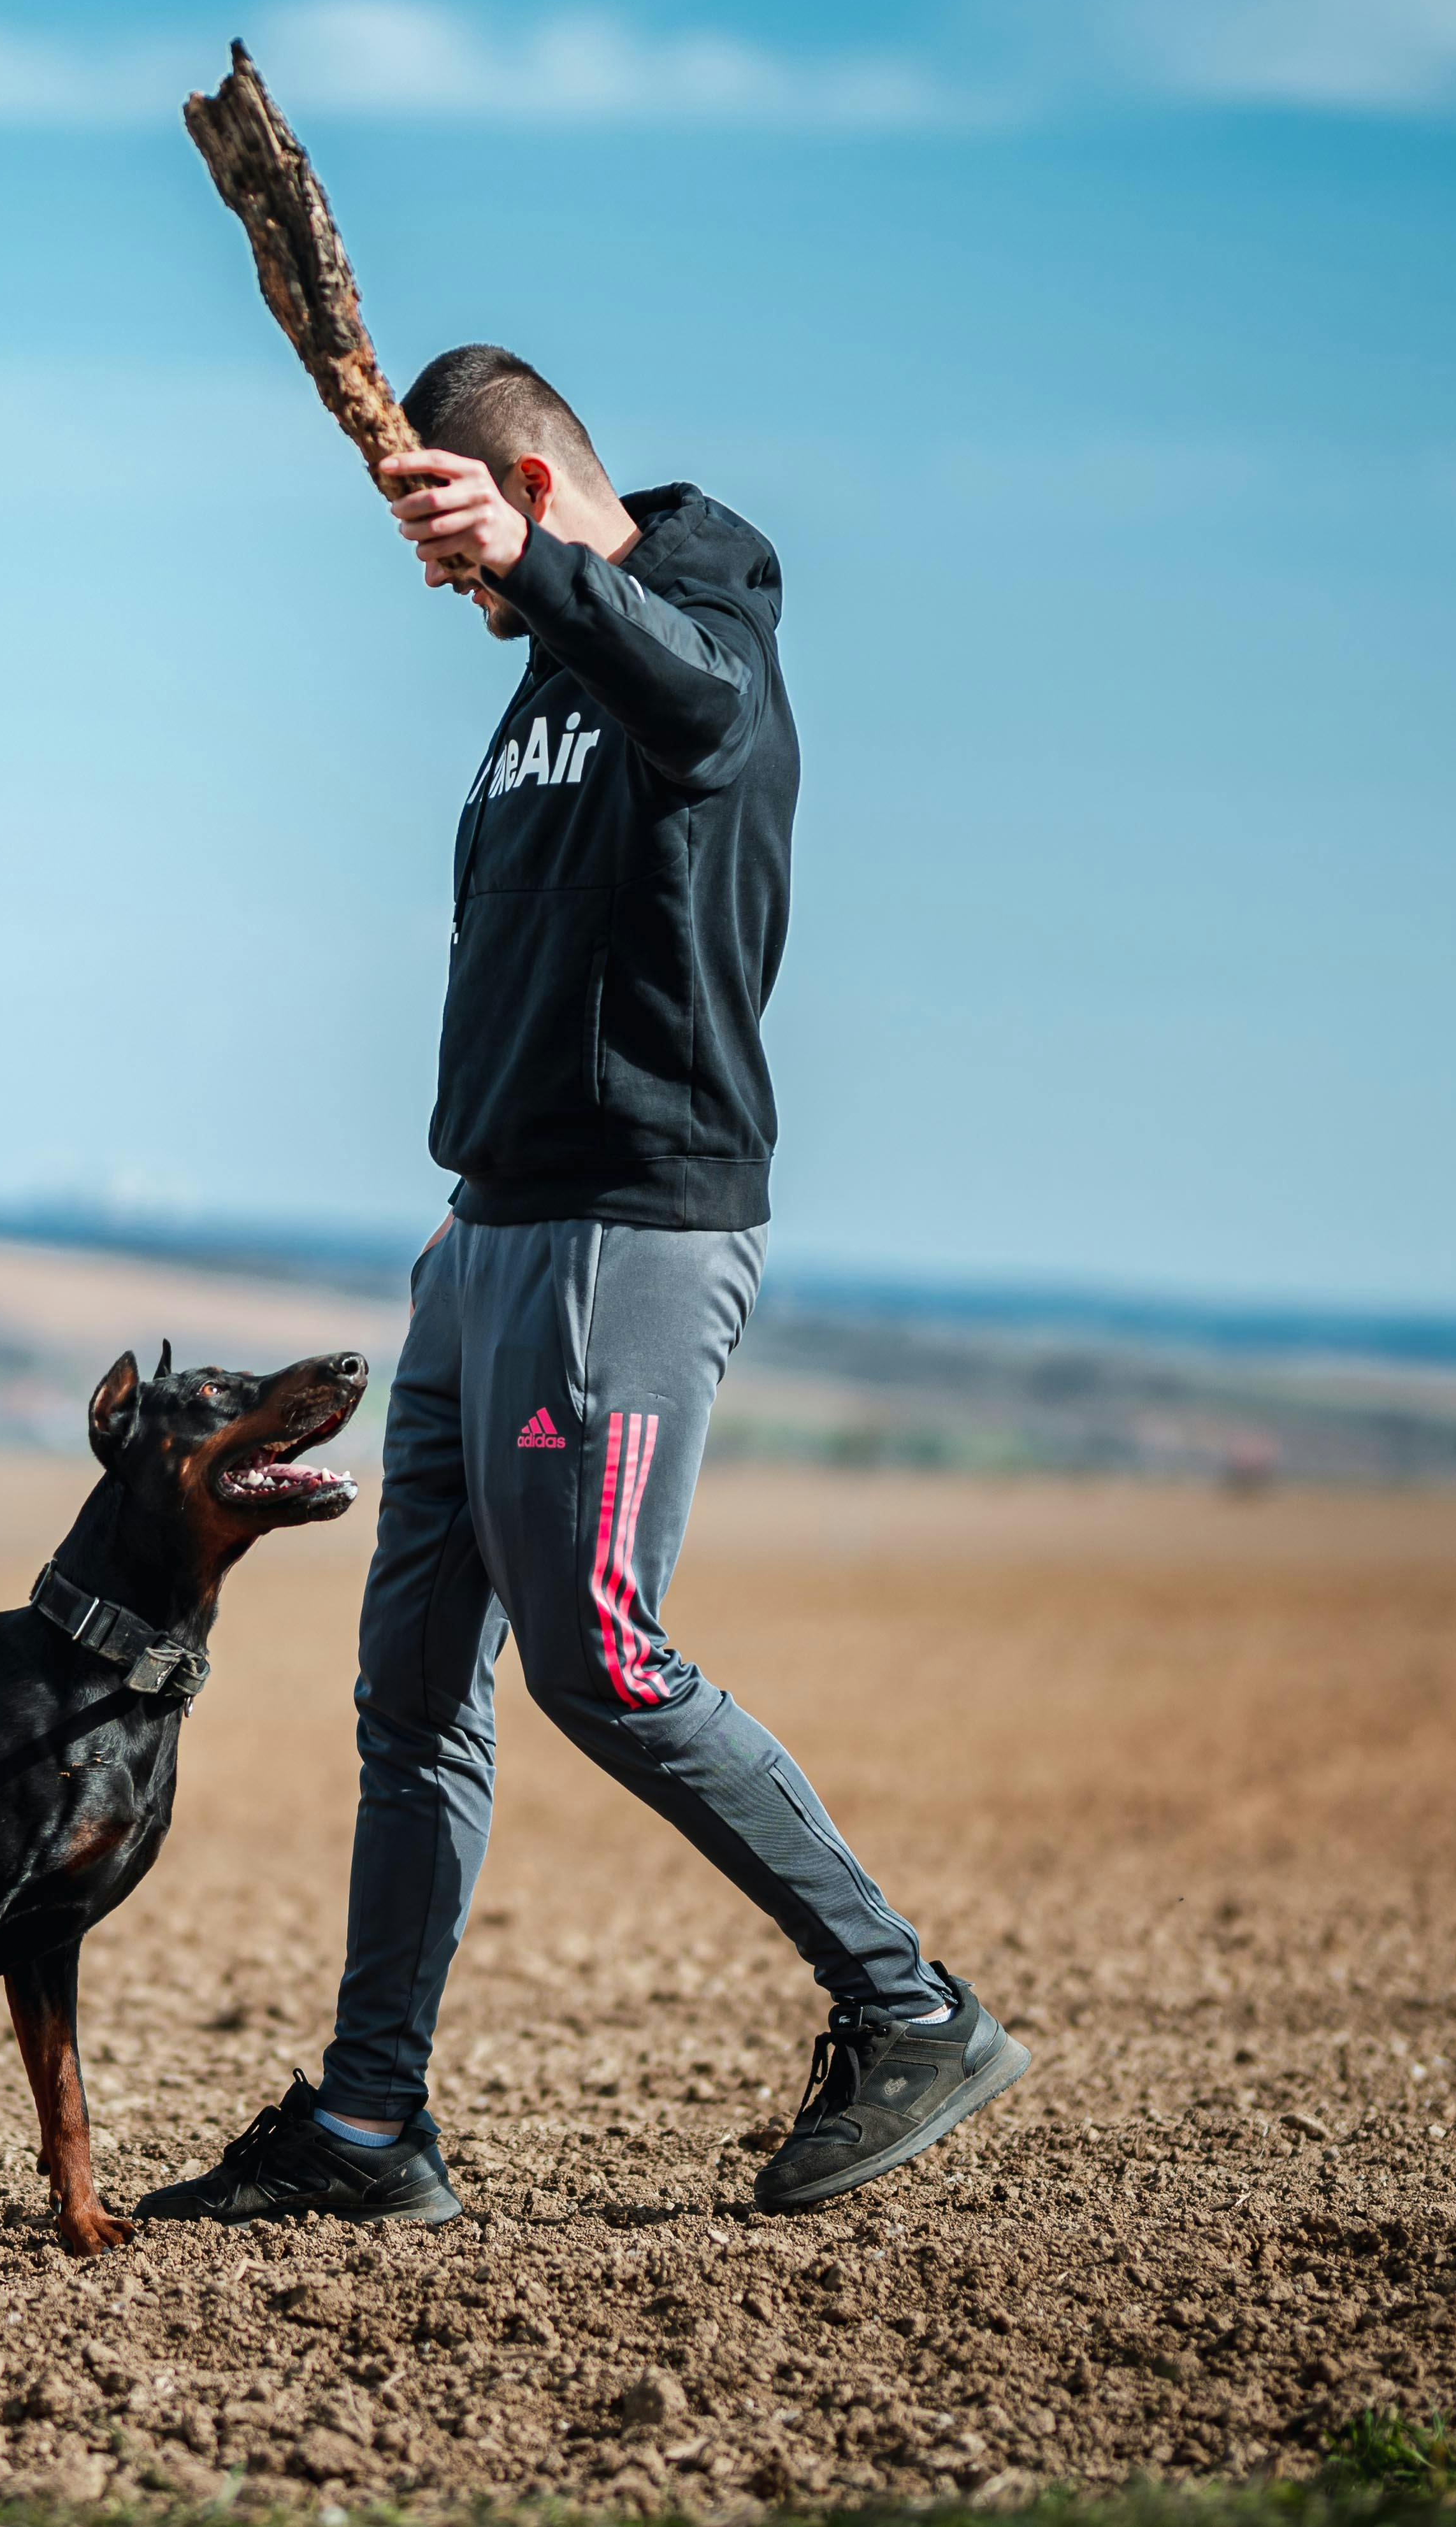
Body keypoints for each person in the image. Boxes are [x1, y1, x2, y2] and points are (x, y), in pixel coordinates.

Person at [135, 345, 1025, 2226]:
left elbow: (691, 702)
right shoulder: (544, 678)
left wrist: (538, 576)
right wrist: (459, 1224)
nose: (454, 601)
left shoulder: (701, 626)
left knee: (599, 1657)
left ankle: (907, 2001)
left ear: (527, 492)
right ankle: (371, 2127)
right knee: (409, 1696)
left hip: (632, 1225)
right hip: (486, 1237)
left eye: (462, 554)